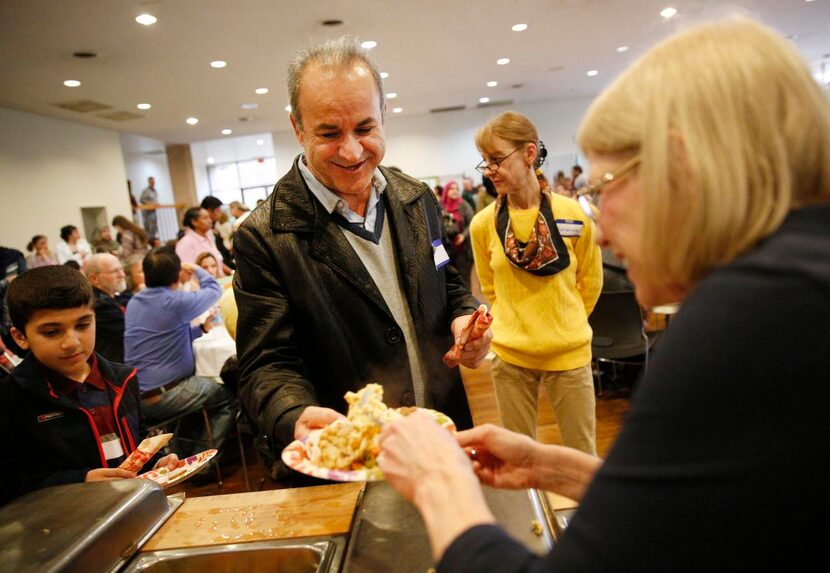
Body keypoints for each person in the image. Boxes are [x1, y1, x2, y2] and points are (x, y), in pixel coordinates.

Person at [378, 17, 830, 571]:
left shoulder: (743, 319)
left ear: (681, 168)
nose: (605, 229)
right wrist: (559, 469)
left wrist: (439, 485)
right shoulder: (798, 285)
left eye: (603, 187)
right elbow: (692, 507)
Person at [233, 36, 490, 460]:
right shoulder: (266, 236)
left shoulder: (416, 198)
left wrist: (464, 317)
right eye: (329, 133)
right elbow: (266, 364)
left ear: (384, 116)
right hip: (349, 458)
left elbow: (446, 277)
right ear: (298, 128)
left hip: (440, 435)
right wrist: (293, 413)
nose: (352, 151)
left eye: (365, 128)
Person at [469, 111, 602, 453]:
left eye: (497, 159)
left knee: (581, 453)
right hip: (511, 357)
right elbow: (490, 288)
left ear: (530, 154)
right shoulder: (483, 225)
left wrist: (565, 321)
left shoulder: (572, 214)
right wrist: (515, 324)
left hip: (569, 354)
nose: (490, 169)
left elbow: (590, 281)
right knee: (518, 458)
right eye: (485, 162)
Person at [0, 265, 179, 506]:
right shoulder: (12, 397)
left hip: (135, 506)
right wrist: (81, 480)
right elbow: (10, 483)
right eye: (52, 332)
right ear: (21, 337)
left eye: (83, 325)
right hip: (67, 524)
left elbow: (138, 442)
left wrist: (156, 462)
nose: (72, 343)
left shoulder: (122, 379)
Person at [124, 248, 236, 461]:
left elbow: (163, 335)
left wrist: (200, 329)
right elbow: (214, 289)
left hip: (138, 396)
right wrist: (194, 268)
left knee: (199, 396)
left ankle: (183, 454)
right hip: (165, 395)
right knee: (225, 395)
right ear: (177, 274)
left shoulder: (135, 302)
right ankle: (204, 464)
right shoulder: (176, 302)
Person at [84, 253, 127, 364]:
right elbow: (131, 333)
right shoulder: (99, 305)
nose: (122, 275)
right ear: (94, 278)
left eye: (121, 269)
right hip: (116, 366)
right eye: (114, 271)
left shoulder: (112, 297)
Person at [176, 207, 231, 276]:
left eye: (209, 217)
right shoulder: (186, 243)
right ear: (194, 222)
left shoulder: (210, 236)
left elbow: (218, 261)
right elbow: (187, 270)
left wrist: (231, 272)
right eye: (205, 218)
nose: (210, 220)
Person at [440, 180, 475, 288]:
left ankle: (468, 302)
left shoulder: (464, 205)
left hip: (463, 249)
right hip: (447, 248)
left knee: (464, 278)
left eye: (457, 188)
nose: (455, 191)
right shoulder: (440, 206)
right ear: (446, 191)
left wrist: (463, 236)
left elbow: (472, 222)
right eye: (452, 188)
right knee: (449, 278)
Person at [200, 196, 235, 269]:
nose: (219, 214)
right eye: (218, 211)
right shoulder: (202, 234)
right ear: (209, 211)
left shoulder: (214, 226)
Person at [140, 176, 159, 241]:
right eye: (151, 182)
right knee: (149, 226)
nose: (153, 183)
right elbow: (142, 200)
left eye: (154, 182)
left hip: (153, 210)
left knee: (154, 226)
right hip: (147, 212)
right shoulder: (146, 191)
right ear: (149, 182)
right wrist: (150, 204)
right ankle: (149, 240)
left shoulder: (154, 190)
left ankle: (154, 239)